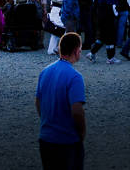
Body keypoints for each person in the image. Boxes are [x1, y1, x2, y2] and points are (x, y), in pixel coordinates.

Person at [36, 32, 86, 170]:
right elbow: (77, 111)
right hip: (67, 140)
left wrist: (47, 120)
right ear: (76, 51)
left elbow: (38, 101)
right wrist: (81, 133)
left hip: (46, 138)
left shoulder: (45, 72)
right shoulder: (75, 77)